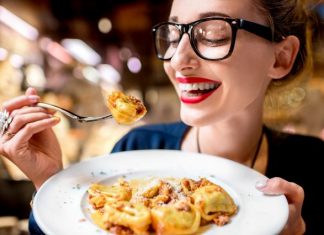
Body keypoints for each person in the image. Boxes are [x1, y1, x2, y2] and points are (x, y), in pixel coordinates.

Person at [0, 0, 323, 234]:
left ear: (280, 58)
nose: (178, 59)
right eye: (172, 35)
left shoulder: (314, 162)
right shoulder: (137, 147)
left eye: (212, 34)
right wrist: (51, 182)